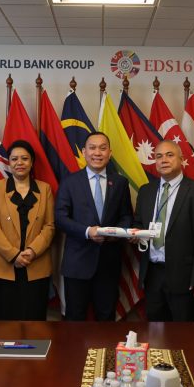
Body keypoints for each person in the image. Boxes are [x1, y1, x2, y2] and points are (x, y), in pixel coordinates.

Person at [132, 140, 194, 321]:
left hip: (184, 278)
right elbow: (138, 221)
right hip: (152, 274)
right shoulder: (146, 191)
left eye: (170, 155)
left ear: (181, 159)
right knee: (155, 331)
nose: (164, 160)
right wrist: (136, 233)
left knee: (183, 333)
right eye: (159, 156)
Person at [55, 132, 133, 321]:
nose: (97, 153)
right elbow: (60, 218)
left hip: (108, 263)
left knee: (106, 318)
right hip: (77, 264)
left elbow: (126, 216)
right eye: (92, 148)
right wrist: (87, 232)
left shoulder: (120, 183)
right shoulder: (69, 182)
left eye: (102, 148)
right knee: (75, 319)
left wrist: (114, 234)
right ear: (84, 152)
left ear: (109, 153)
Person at [0, 140, 55, 320]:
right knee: (2, 323)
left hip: (35, 264)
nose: (19, 163)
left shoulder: (44, 189)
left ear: (32, 162)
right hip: (1, 266)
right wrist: (13, 255)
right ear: (9, 162)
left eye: (24, 158)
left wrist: (32, 251)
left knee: (34, 321)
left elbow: (49, 226)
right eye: (14, 159)